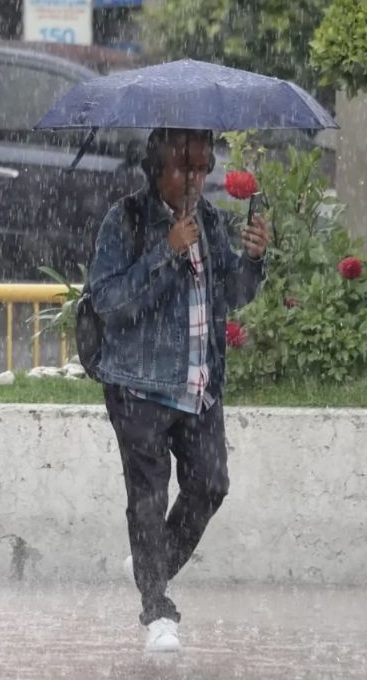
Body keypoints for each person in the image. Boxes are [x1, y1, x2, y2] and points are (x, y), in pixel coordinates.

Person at [88, 128, 269, 653]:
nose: (194, 179)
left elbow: (232, 293)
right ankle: (157, 610)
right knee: (147, 499)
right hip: (139, 388)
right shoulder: (124, 220)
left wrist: (253, 259)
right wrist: (166, 253)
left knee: (210, 485)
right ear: (156, 169)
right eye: (183, 168)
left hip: (199, 386)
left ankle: (152, 565)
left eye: (201, 168)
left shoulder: (209, 220)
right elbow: (108, 302)